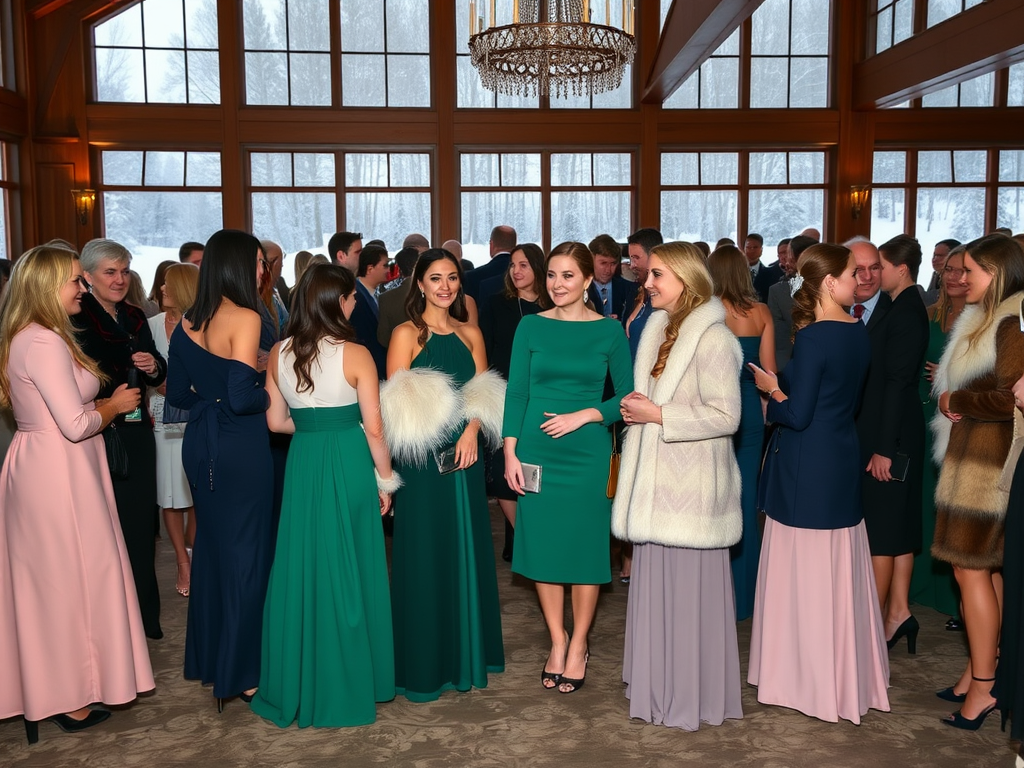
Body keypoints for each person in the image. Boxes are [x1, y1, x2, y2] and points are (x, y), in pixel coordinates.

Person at [0, 245, 154, 743]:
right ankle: (67, 695)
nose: (82, 288)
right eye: (74, 281)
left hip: (52, 463)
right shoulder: (42, 341)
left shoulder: (36, 335)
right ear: (47, 287)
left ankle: (60, 690)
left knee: (53, 585)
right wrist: (112, 405)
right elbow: (74, 423)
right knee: (69, 585)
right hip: (58, 469)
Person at [747, 243, 890, 724]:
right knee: (837, 573)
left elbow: (798, 414)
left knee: (804, 576)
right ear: (830, 283)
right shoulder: (857, 332)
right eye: (854, 272)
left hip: (807, 466)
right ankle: (841, 677)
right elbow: (838, 404)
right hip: (840, 456)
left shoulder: (814, 338)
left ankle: (802, 681)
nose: (862, 279)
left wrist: (772, 393)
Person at [251, 264, 399, 727]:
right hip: (350, 459)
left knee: (304, 565)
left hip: (304, 461)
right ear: (338, 302)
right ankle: (354, 680)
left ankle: (300, 674)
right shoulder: (356, 354)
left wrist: (315, 427)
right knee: (352, 566)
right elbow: (375, 429)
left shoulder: (278, 351)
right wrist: (386, 478)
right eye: (351, 296)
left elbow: (275, 423)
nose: (355, 302)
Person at [612, 241, 743, 730]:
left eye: (658, 275)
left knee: (688, 600)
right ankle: (657, 685)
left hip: (689, 493)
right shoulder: (659, 329)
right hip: (657, 486)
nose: (647, 282)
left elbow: (728, 416)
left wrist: (658, 414)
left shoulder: (714, 340)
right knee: (658, 592)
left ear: (686, 280)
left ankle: (690, 695)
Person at [503, 241, 633, 694]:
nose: (558, 284)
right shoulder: (530, 327)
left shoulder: (609, 333)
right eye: (553, 275)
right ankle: (557, 641)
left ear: (586, 281)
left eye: (568, 276)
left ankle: (579, 644)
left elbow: (628, 399)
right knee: (542, 549)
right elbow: (516, 392)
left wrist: (586, 414)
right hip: (537, 452)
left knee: (583, 552)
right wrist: (510, 452)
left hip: (588, 455)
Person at [381, 248, 505, 702]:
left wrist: (471, 431)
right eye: (436, 278)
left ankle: (465, 656)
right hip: (422, 464)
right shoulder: (405, 335)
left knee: (466, 550)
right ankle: (424, 664)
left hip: (465, 460)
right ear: (420, 283)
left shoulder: (472, 333)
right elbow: (395, 411)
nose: (446, 286)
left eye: (452, 277)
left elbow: (481, 394)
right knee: (424, 556)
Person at [166, 229, 275, 710]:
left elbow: (175, 397)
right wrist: (271, 381)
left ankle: (214, 660)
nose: (262, 271)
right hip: (239, 446)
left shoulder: (187, 321)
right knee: (248, 557)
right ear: (235, 266)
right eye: (256, 262)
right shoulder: (246, 316)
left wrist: (217, 393)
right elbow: (243, 397)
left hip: (200, 444)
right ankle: (243, 673)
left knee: (213, 550)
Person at [931, 234, 1024, 730]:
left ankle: (984, 688)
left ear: (999, 272)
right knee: (984, 572)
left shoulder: (1010, 321)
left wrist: (956, 402)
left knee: (972, 571)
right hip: (972, 460)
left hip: (985, 468)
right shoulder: (987, 316)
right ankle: (980, 670)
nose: (961, 279)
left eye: (971, 271)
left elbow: (1012, 398)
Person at [73, 238, 167, 640]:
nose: (119, 279)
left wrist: (152, 367)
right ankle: (111, 625)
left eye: (125, 271)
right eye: (110, 272)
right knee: (103, 531)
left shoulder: (134, 315)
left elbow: (161, 375)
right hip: (96, 432)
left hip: (136, 432)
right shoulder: (77, 317)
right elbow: (77, 379)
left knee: (141, 526)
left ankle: (144, 617)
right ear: (88, 277)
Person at [857, 235, 929, 655]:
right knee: (898, 529)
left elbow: (899, 383)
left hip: (893, 434)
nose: (871, 274)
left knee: (882, 534)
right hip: (898, 431)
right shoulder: (901, 305)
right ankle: (899, 612)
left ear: (900, 269)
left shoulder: (905, 312)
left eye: (878, 266)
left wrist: (884, 447)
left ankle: (871, 627)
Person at [707, 244, 776, 622]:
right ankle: (743, 597)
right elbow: (768, 377)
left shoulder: (706, 315)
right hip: (748, 413)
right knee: (745, 503)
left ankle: (712, 595)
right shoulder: (762, 313)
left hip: (714, 414)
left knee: (713, 499)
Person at [479, 242, 551, 562]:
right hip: (503, 399)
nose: (516, 271)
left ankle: (531, 538)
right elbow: (485, 352)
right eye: (512, 265)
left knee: (535, 470)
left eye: (523, 265)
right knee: (500, 471)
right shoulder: (497, 304)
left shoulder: (554, 307)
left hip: (544, 400)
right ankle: (529, 536)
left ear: (538, 268)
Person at [910, 246, 968, 620]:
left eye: (961, 270)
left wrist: (950, 377)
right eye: (948, 269)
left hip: (958, 419)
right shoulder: (928, 313)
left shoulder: (983, 321)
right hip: (921, 410)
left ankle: (953, 595)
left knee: (949, 501)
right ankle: (918, 585)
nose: (952, 277)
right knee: (922, 497)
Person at [148, 262, 200, 598]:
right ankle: (181, 561)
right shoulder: (150, 325)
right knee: (168, 493)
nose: (162, 288)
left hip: (195, 413)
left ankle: (195, 554)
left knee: (195, 489)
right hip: (160, 416)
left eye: (168, 284)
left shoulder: (201, 325)